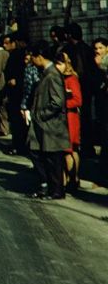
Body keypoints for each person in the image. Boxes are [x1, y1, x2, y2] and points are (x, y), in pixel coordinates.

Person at [25, 42, 69, 200]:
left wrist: (41, 115)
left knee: (52, 159)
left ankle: (56, 190)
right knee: (38, 153)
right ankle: (48, 186)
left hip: (51, 125)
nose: (31, 61)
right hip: (44, 124)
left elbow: (58, 101)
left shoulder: (52, 75)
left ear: (39, 57)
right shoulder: (46, 73)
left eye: (33, 57)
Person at [57, 46, 83, 191]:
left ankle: (73, 178)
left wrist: (62, 104)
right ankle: (69, 179)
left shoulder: (72, 79)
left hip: (70, 118)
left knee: (69, 149)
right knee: (68, 150)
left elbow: (78, 100)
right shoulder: (60, 77)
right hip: (64, 118)